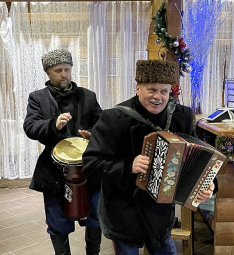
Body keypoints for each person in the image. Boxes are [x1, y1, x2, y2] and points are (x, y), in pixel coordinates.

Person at [82, 59, 216, 254]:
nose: (158, 97)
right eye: (151, 90)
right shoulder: (114, 118)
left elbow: (198, 158)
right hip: (123, 209)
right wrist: (129, 165)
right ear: (138, 88)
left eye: (164, 91)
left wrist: (206, 185)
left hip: (160, 213)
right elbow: (91, 162)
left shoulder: (181, 116)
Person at [23, 49, 103, 255]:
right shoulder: (38, 98)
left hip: (89, 169)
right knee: (57, 221)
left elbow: (102, 125)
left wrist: (91, 135)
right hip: (53, 171)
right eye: (58, 70)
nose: (64, 74)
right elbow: (30, 127)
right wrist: (53, 125)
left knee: (96, 217)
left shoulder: (88, 96)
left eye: (67, 69)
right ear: (48, 73)